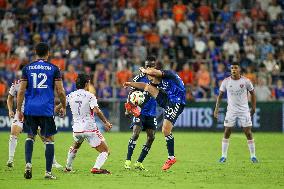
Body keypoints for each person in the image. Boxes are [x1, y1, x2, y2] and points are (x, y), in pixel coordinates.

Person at [124, 57, 186, 171]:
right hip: (168, 100)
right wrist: (129, 83)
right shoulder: (155, 80)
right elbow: (145, 86)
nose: (151, 81)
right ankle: (131, 161)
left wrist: (143, 69)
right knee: (149, 88)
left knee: (165, 130)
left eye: (152, 78)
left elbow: (152, 72)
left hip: (177, 100)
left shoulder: (167, 74)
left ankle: (171, 157)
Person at [17, 42, 66, 179]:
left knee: (30, 136)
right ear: (48, 53)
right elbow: (60, 91)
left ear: (35, 52)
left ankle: (28, 164)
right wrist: (63, 105)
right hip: (46, 109)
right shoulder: (53, 68)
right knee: (49, 139)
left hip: (30, 108)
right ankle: (48, 172)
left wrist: (18, 110)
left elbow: (21, 91)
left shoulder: (27, 68)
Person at [55, 74, 112, 174]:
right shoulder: (90, 96)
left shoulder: (70, 95)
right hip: (89, 128)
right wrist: (106, 122)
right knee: (105, 151)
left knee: (76, 145)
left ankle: (68, 168)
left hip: (76, 129)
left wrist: (62, 110)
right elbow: (97, 111)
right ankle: (96, 168)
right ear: (87, 83)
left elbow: (57, 108)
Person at [7, 80, 62, 169]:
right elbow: (10, 98)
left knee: (44, 137)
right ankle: (10, 160)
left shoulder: (36, 83)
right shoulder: (16, 84)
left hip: (33, 113)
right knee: (14, 133)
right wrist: (10, 110)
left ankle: (53, 162)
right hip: (20, 113)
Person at [213, 62, 258, 163]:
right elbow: (220, 96)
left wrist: (253, 108)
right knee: (227, 131)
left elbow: (253, 94)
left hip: (244, 110)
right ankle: (223, 156)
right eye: (232, 68)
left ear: (239, 70)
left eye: (235, 68)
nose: (233, 69)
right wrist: (216, 109)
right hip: (231, 111)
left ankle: (253, 156)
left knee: (248, 132)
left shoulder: (246, 81)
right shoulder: (226, 81)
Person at [124, 56, 158, 171]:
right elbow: (131, 93)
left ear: (155, 66)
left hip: (152, 112)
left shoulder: (158, 79)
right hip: (139, 111)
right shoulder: (139, 77)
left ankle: (139, 162)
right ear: (145, 66)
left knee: (151, 137)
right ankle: (128, 160)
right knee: (136, 133)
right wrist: (128, 108)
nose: (149, 67)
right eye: (147, 65)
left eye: (151, 65)